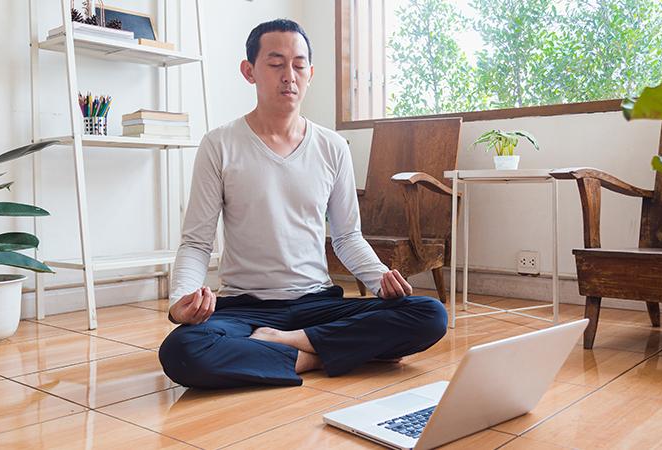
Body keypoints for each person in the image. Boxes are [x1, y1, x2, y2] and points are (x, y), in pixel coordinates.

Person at [158, 19, 448, 389]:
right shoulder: (220, 144)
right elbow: (197, 242)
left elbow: (346, 237)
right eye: (276, 64)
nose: (289, 76)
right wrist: (179, 302)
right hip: (245, 308)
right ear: (249, 72)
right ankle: (327, 354)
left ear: (310, 73)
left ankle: (289, 345)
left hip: (317, 304)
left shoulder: (333, 147)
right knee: (182, 350)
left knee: (429, 314)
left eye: (298, 65)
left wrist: (379, 280)